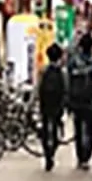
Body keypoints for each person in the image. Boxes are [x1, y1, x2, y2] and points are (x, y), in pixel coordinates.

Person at [66, 32, 92, 170]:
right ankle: (87, 156)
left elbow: (67, 80)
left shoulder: (73, 62)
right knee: (91, 130)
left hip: (76, 102)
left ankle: (80, 156)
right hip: (91, 102)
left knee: (78, 129)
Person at [37, 41, 67, 172]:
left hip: (45, 104)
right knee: (55, 127)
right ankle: (52, 150)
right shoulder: (62, 72)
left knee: (45, 127)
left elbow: (38, 88)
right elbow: (66, 88)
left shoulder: (43, 70)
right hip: (57, 104)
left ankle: (47, 153)